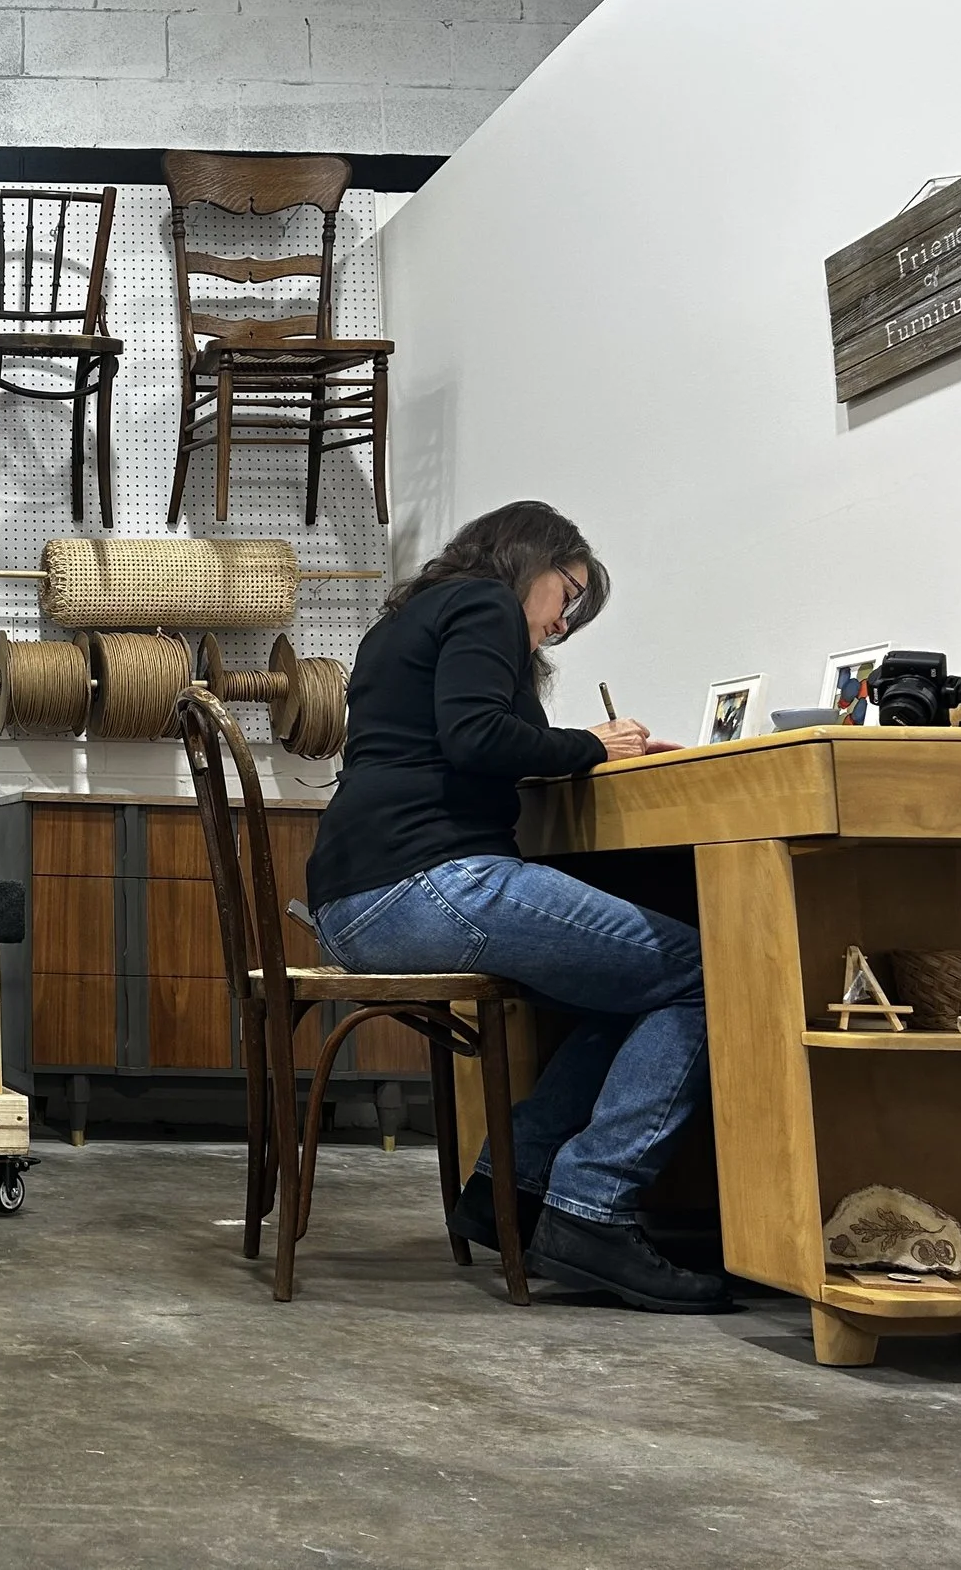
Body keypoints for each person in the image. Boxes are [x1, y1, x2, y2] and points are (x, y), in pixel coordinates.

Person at [302, 500, 729, 1313]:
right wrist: (596, 746)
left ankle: (512, 1184)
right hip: (428, 880)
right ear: (531, 561)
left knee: (620, 987)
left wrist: (598, 747)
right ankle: (592, 1205)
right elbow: (476, 737)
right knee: (702, 971)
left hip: (359, 897)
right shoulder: (484, 602)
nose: (562, 621)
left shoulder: (404, 621)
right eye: (565, 595)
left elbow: (470, 734)